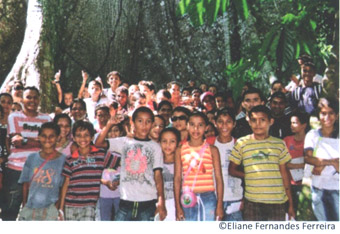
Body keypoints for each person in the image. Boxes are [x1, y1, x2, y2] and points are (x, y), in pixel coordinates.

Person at [95, 106, 167, 221]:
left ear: (152, 124)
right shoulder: (125, 142)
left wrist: (161, 201)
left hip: (148, 202)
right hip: (125, 201)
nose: (144, 125)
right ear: (132, 123)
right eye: (140, 121)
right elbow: (98, 143)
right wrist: (109, 125)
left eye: (148, 122)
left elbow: (158, 175)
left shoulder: (155, 147)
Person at [229, 105, 295, 221]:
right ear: (249, 122)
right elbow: (232, 170)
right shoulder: (241, 143)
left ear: (271, 121)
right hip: (252, 201)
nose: (258, 124)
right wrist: (250, 175)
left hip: (277, 201)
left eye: (262, 120)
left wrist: (290, 204)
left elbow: (285, 174)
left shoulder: (279, 144)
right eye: (254, 120)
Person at [2, 86, 52, 220]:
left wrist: (25, 140)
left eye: (35, 97)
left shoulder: (47, 119)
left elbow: (50, 143)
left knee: (35, 214)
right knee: (10, 211)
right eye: (29, 97)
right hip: (16, 170)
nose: (32, 100)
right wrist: (40, 141)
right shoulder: (14, 117)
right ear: (22, 99)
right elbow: (16, 142)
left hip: (39, 171)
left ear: (39, 100)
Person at [59, 120, 118, 221]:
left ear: (92, 137)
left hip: (90, 205)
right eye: (78, 135)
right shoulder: (70, 159)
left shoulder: (101, 154)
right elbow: (66, 183)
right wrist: (61, 208)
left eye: (86, 135)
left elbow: (120, 163)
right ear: (73, 137)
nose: (82, 138)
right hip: (70, 204)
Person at [174, 111, 224, 221]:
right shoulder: (180, 150)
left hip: (208, 197)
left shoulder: (212, 150)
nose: (196, 129)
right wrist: (177, 206)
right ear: (187, 126)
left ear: (206, 127)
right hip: (187, 196)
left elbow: (219, 178)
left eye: (200, 125)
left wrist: (219, 205)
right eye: (192, 124)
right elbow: (177, 179)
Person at [17, 122, 66, 221]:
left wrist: (57, 207)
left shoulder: (64, 160)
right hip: (31, 207)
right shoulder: (31, 158)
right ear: (38, 137)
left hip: (51, 209)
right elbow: (25, 183)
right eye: (44, 136)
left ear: (58, 138)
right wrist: (25, 204)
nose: (47, 139)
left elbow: (63, 187)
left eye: (51, 136)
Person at [304, 97, 339, 221]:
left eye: (331, 113)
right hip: (318, 188)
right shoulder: (312, 135)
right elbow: (308, 158)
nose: (327, 117)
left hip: (337, 188)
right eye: (323, 113)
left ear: (337, 115)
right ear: (319, 115)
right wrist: (330, 162)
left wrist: (320, 162)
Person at [213, 108, 243, 221]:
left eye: (228, 121)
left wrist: (244, 200)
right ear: (215, 123)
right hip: (213, 198)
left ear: (234, 124)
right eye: (220, 121)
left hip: (235, 199)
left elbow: (246, 174)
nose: (224, 125)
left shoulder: (240, 144)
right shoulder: (209, 143)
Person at [284, 111, 309, 218]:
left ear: (303, 125)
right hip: (289, 185)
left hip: (305, 184)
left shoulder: (310, 141)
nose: (291, 126)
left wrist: (297, 166)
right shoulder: (287, 140)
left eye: (295, 123)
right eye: (291, 123)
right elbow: (283, 162)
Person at [98, 123, 124, 221]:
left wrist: (120, 181)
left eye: (116, 130)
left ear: (121, 132)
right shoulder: (101, 150)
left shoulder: (124, 148)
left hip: (120, 193)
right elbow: (95, 172)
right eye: (110, 131)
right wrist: (105, 182)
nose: (113, 133)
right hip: (104, 194)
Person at [160, 127, 181, 221]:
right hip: (160, 205)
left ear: (178, 143)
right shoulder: (156, 163)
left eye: (172, 141)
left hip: (178, 205)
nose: (168, 145)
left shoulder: (182, 163)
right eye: (164, 141)